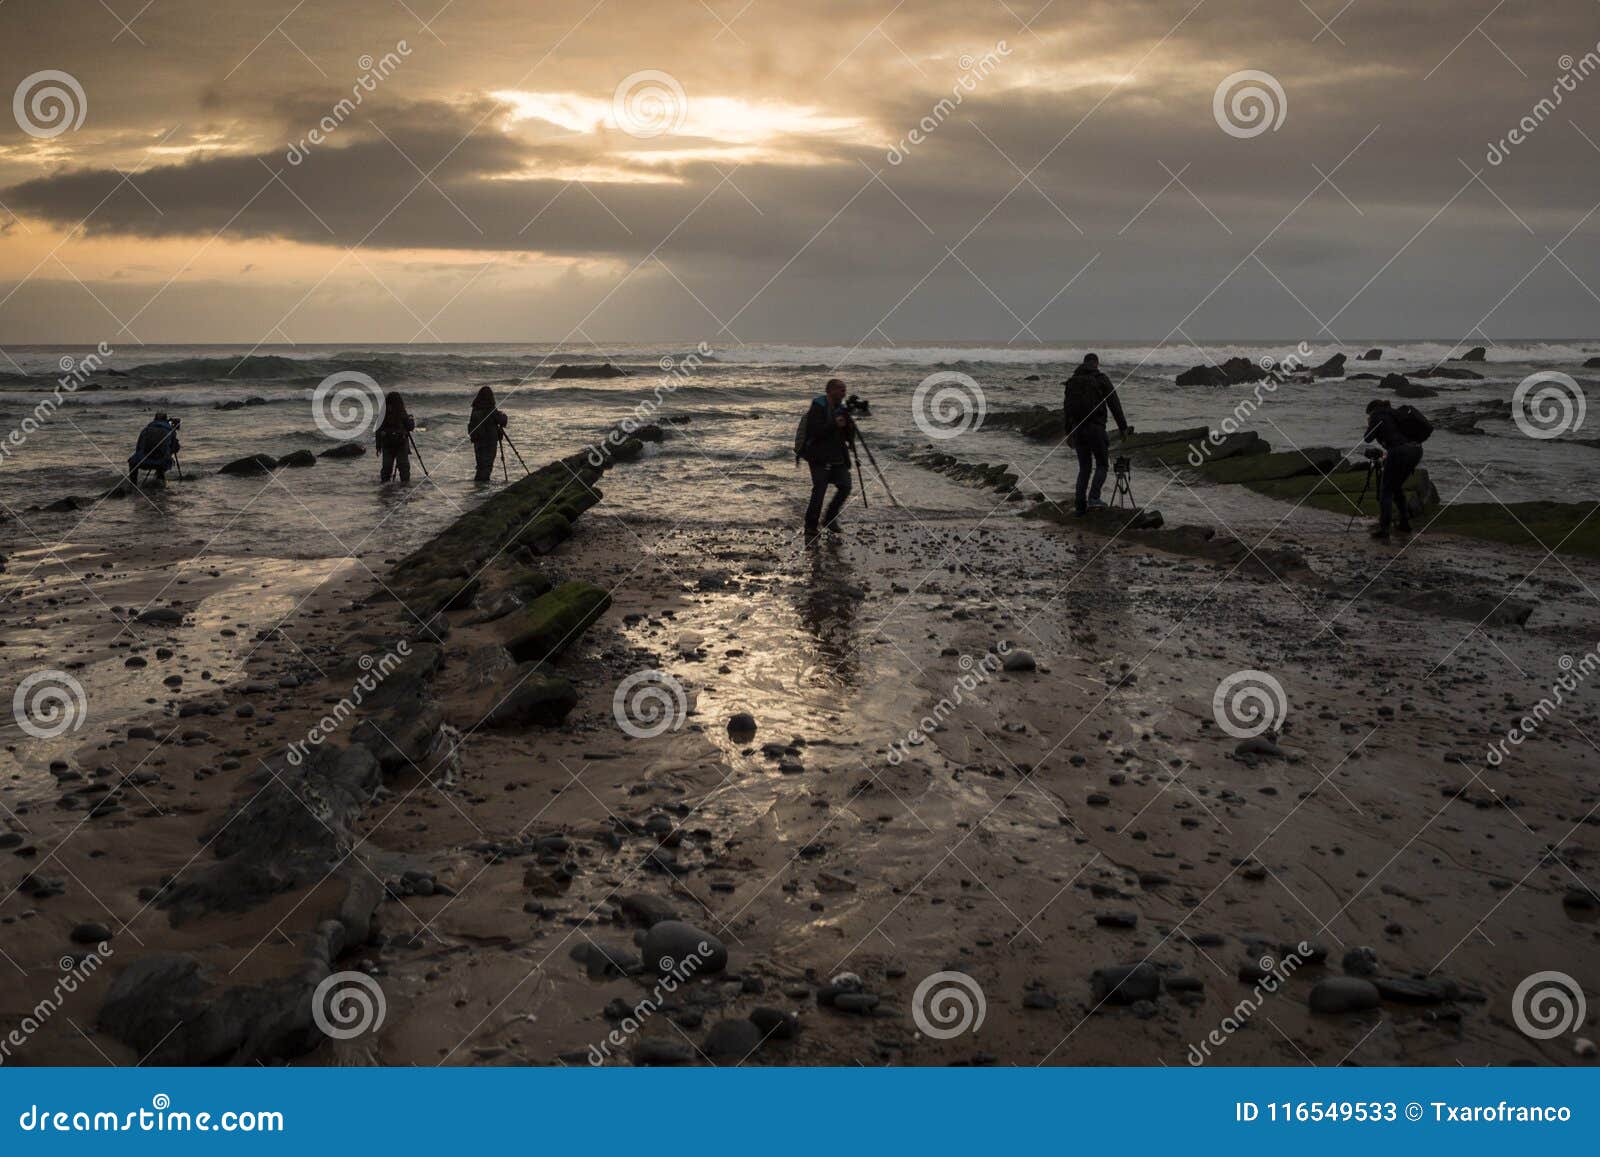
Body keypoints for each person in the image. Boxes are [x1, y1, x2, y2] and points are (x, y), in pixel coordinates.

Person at [1062, 353, 1131, 514]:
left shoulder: (1072, 382)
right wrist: (1123, 428)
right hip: (1096, 428)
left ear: (1084, 363)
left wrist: (1068, 433)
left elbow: (1067, 409)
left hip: (1078, 429)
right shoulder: (1101, 379)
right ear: (1096, 363)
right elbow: (1114, 404)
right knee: (1102, 464)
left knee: (1084, 468)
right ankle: (1094, 498)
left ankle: (1080, 505)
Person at [798, 377, 854, 538]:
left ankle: (830, 518)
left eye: (844, 390)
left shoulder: (842, 409)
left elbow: (849, 438)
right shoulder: (818, 407)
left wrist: (849, 425)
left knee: (845, 486)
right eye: (840, 389)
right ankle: (810, 525)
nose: (844, 393)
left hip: (837, 455)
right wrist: (835, 424)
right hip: (818, 456)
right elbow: (815, 431)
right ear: (829, 391)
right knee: (820, 489)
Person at [1363, 398, 1424, 540]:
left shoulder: (1377, 415)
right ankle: (1404, 523)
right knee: (1396, 487)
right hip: (1416, 450)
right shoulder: (1394, 413)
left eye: (1368, 414)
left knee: (1386, 491)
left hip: (1399, 452)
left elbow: (1367, 438)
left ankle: (1384, 530)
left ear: (1372, 410)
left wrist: (1369, 423)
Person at [468, 385, 508, 482]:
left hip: (478, 442)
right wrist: (503, 415)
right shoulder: (490, 409)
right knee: (488, 464)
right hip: (489, 441)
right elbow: (502, 421)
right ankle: (483, 485)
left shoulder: (475, 409)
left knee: (481, 465)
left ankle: (479, 486)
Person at [127, 412, 180, 486]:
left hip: (143, 461)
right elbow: (175, 448)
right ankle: (160, 482)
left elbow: (138, 448)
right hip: (161, 462)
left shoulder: (146, 429)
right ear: (166, 420)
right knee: (165, 457)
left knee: (132, 462)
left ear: (154, 419)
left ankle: (133, 485)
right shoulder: (170, 430)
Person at [376, 392, 416, 483]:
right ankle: (404, 487)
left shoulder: (383, 414)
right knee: (404, 467)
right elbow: (410, 427)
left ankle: (385, 487)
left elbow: (378, 430)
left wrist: (378, 446)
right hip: (401, 443)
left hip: (387, 443)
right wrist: (411, 419)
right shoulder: (401, 412)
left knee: (387, 467)